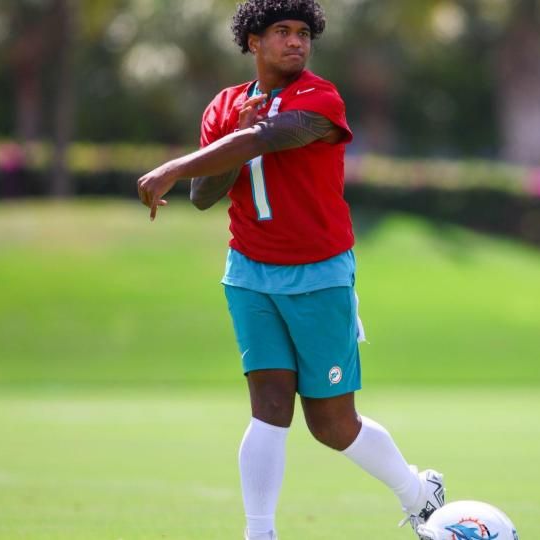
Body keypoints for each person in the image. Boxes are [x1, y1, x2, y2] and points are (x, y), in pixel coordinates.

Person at [136, 1, 443, 538]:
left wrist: (172, 165)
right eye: (282, 31)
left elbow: (269, 138)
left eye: (303, 33)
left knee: (332, 425)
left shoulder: (319, 98)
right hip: (250, 272)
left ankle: (418, 493)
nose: (296, 42)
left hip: (319, 273)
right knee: (269, 408)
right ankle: (260, 532)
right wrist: (218, 146)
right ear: (253, 41)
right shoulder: (226, 105)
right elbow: (205, 196)